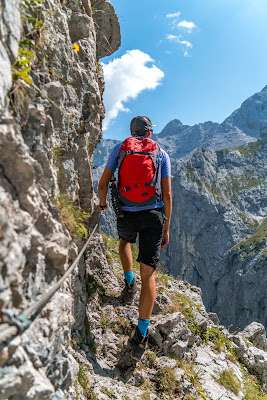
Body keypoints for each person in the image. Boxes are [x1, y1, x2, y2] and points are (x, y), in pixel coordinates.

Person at [98, 116, 172, 359]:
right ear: (149, 132)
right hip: (153, 217)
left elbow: (103, 183)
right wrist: (167, 226)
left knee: (124, 244)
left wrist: (102, 204)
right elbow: (168, 195)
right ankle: (141, 333)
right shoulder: (161, 154)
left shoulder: (119, 149)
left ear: (131, 132)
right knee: (148, 273)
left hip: (126, 214)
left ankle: (129, 283)